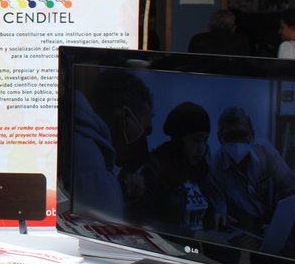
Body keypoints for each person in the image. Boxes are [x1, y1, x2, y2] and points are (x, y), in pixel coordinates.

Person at [69, 68, 154, 222]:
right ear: (125, 116)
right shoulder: (95, 175)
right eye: (145, 131)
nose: (144, 139)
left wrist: (118, 188)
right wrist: (110, 190)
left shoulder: (75, 135)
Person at [208, 106, 295, 237]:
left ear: (252, 135)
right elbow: (220, 209)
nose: (237, 142)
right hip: (244, 230)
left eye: (243, 135)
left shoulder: (266, 152)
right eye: (230, 136)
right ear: (220, 137)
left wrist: (279, 224)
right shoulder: (215, 166)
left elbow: (293, 189)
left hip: (274, 223)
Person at [134, 102, 221, 233]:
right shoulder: (155, 170)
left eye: (205, 140)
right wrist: (191, 237)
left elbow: (204, 218)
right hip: (174, 247)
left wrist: (217, 220)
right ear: (179, 140)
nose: (202, 148)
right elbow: (142, 221)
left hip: (203, 247)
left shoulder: (202, 170)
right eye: (196, 140)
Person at [187, 9, 252, 56]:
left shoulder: (198, 38)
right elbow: (245, 63)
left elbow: (190, 61)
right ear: (234, 27)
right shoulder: (240, 40)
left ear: (209, 25)